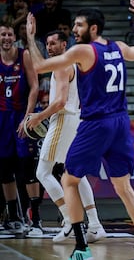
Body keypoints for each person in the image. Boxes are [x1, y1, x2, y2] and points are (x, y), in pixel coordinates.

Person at [25, 0, 134, 260]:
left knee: (68, 180)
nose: (73, 30)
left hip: (96, 123)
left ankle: (80, 247)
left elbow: (41, 66)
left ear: (94, 29)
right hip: (121, 122)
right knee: (123, 187)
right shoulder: (118, 47)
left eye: (78, 26)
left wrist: (31, 38)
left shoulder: (83, 52)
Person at [25, 30, 106, 242]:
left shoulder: (61, 65)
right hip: (76, 119)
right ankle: (95, 225)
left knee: (43, 172)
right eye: (48, 44)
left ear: (64, 45)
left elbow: (60, 102)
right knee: (75, 174)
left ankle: (70, 219)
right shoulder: (75, 63)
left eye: (54, 43)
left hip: (63, 119)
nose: (50, 47)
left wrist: (38, 117)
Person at [0, 22, 40, 235]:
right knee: (5, 169)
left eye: (9, 34)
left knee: (27, 169)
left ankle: (34, 217)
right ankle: (13, 215)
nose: (6, 37)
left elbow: (34, 86)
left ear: (15, 36)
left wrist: (27, 117)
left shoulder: (23, 55)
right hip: (2, 119)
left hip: (21, 115)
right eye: (2, 34)